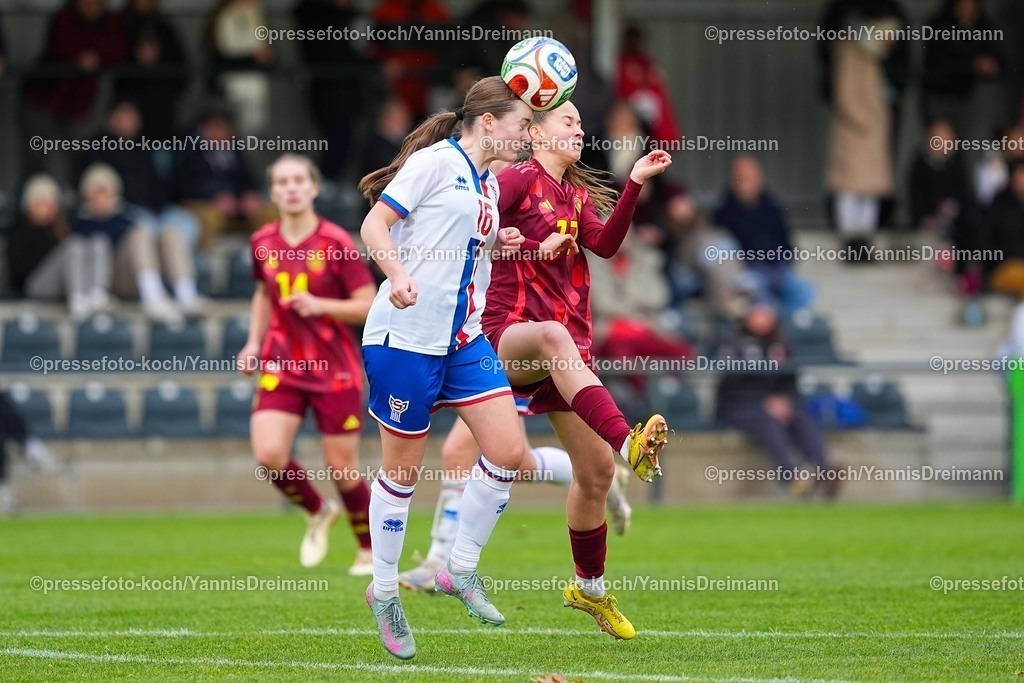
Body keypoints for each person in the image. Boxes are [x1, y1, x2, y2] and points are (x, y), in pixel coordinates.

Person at [356, 76, 532, 660]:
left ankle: (458, 568)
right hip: (404, 337)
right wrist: (396, 275)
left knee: (508, 451)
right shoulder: (436, 162)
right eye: (521, 124)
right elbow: (375, 225)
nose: (527, 135)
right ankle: (384, 592)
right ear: (488, 123)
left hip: (462, 337)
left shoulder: (489, 183)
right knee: (402, 476)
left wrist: (495, 243)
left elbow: (458, 248)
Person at [482, 101, 672, 640]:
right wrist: (513, 246)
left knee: (595, 475)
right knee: (550, 335)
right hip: (509, 334)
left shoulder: (575, 193)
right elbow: (474, 229)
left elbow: (606, 246)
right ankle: (630, 440)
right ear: (537, 133)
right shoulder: (516, 178)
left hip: (564, 351)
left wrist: (633, 182)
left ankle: (588, 589)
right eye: (570, 121)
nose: (581, 128)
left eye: (582, 122)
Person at [237, 154, 377, 574]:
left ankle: (369, 550)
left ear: (314, 188)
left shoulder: (336, 241)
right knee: (268, 455)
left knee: (343, 468)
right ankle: (317, 510)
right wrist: (252, 342)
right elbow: (264, 293)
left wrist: (320, 305)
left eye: (299, 180)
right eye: (282, 182)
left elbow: (368, 304)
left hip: (334, 368)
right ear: (272, 191)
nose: (291, 187)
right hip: (282, 365)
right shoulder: (261, 240)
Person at [397, 397, 634, 592]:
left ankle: (437, 561)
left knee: (479, 456)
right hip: (483, 353)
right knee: (498, 461)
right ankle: (437, 561)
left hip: (503, 358)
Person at [716, 304, 839, 499]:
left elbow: (791, 378)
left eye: (766, 313)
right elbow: (732, 381)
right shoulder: (732, 343)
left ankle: (824, 468)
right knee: (768, 422)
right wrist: (765, 401)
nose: (762, 318)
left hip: (777, 403)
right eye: (758, 313)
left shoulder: (782, 343)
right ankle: (792, 478)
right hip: (740, 405)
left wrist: (785, 399)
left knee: (801, 416)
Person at [76, 163, 194, 324]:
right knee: (139, 233)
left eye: (108, 192)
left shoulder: (126, 217)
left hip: (137, 272)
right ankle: (152, 296)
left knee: (170, 232)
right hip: (113, 280)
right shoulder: (81, 222)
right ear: (88, 196)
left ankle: (186, 293)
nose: (104, 198)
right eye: (99, 193)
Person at [826, 19, 897, 254]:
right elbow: (844, 97)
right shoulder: (851, 54)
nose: (890, 44)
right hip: (854, 135)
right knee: (849, 188)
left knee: (870, 190)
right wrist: (868, 123)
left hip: (872, 137)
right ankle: (849, 239)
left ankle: (864, 240)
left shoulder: (874, 59)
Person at [715, 156, 814, 312]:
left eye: (749, 179)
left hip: (778, 267)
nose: (745, 185)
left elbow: (786, 242)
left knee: (803, 291)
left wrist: (784, 264)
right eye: (740, 179)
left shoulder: (773, 208)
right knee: (757, 292)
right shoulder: (723, 214)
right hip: (747, 271)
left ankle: (786, 325)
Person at [174, 105, 277, 248]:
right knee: (209, 217)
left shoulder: (235, 150)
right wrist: (214, 198)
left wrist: (249, 196)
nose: (221, 133)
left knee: (270, 212)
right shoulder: (189, 150)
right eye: (215, 127)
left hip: (236, 207)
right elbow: (183, 187)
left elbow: (250, 179)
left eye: (225, 128)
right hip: (203, 203)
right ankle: (207, 261)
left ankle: (266, 256)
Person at [6, 174, 106, 320]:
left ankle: (97, 294)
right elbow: (19, 272)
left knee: (97, 241)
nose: (44, 208)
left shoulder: (61, 230)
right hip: (33, 286)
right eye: (39, 203)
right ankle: (77, 299)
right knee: (73, 245)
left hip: (59, 286)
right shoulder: (19, 230)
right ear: (28, 205)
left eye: (48, 203)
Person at [921, 0, 1003, 136]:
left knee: (961, 143)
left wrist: (988, 65)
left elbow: (999, 64)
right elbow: (939, 63)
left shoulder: (984, 26)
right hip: (938, 95)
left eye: (971, 5)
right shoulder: (940, 25)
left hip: (965, 97)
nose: (966, 9)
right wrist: (972, 64)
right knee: (939, 142)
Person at [115, 0, 188, 141]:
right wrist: (136, 60)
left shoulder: (165, 29)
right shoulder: (120, 27)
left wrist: (159, 60)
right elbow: (114, 67)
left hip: (162, 108)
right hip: (129, 105)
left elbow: (182, 70)